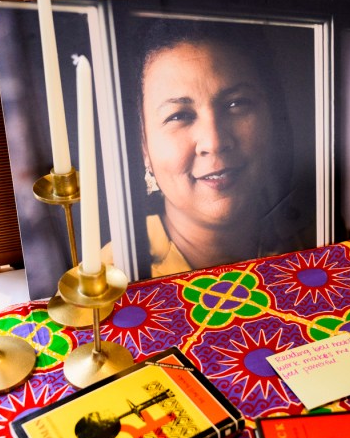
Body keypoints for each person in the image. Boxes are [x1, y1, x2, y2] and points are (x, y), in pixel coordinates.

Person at [104, 20, 315, 278]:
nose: (214, 142)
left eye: (236, 104)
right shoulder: (105, 284)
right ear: (143, 146)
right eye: (179, 116)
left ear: (272, 118)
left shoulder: (323, 244)